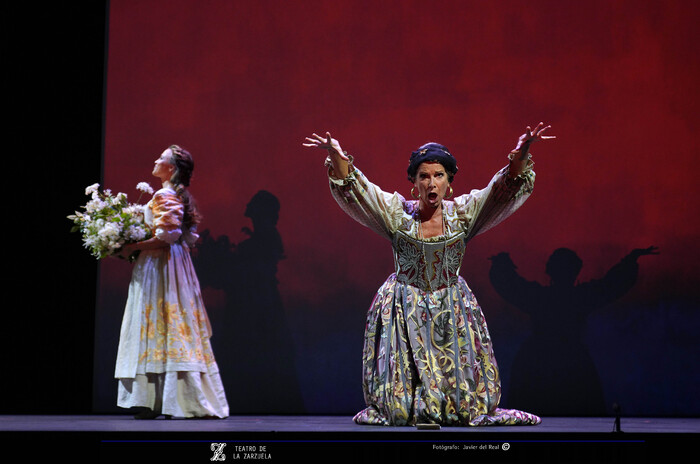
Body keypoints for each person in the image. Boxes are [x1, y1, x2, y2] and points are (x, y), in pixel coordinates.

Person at [304, 123, 554, 426]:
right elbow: (359, 192)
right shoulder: (398, 215)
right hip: (404, 307)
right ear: (414, 182)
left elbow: (502, 190)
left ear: (449, 182)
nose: (431, 183)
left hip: (450, 307)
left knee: (461, 407)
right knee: (398, 410)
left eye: (438, 176)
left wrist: (522, 152)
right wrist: (338, 155)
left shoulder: (463, 215)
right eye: (424, 176)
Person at [115, 145, 229, 419]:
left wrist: (133, 247)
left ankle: (168, 399)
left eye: (161, 158)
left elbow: (167, 235)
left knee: (164, 321)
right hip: (163, 265)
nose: (155, 160)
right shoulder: (169, 194)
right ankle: (154, 399)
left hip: (162, 267)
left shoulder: (165, 194)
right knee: (161, 324)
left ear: (172, 169)